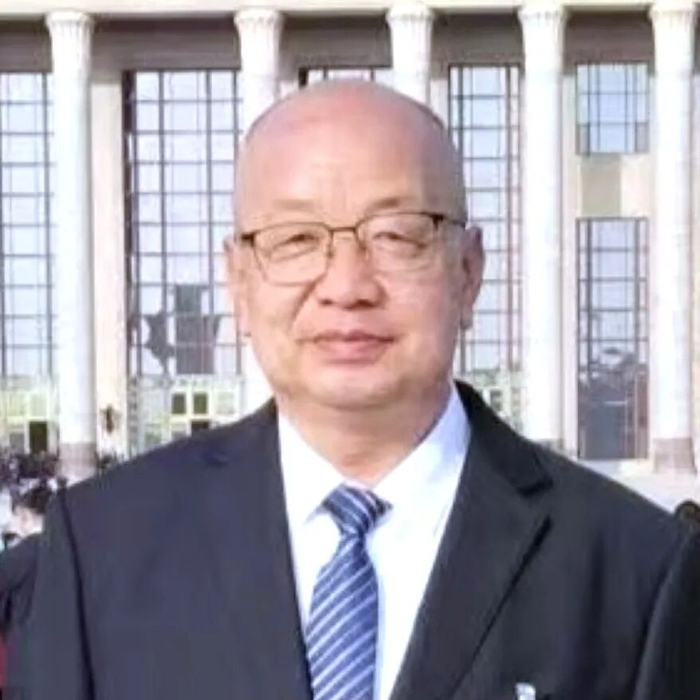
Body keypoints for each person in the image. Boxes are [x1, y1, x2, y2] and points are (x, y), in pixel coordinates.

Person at [30, 82, 700, 700]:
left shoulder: (636, 569)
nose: (346, 286)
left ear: (468, 271)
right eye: (296, 239)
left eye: (396, 236)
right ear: (238, 282)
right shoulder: (103, 547)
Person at [0, 482, 52, 699]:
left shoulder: (23, 554)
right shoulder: (69, 549)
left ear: (25, 515)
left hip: (24, 665)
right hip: (60, 663)